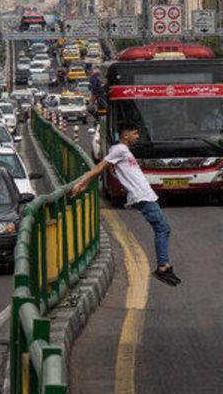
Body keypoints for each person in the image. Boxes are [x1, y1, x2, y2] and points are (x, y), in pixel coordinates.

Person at [69, 121, 180, 286]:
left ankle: (164, 265)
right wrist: (82, 183)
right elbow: (100, 167)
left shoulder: (123, 151)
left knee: (163, 228)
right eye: (134, 133)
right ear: (125, 135)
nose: (137, 137)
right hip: (142, 196)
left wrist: (87, 182)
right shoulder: (120, 150)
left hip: (146, 195)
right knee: (162, 228)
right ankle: (163, 267)